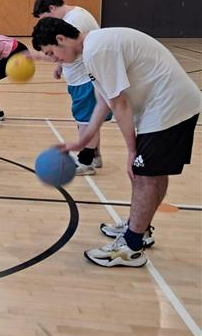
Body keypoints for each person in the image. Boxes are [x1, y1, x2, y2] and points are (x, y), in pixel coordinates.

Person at [31, 18, 201, 267]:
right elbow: (104, 101)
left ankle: (131, 247)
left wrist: (132, 151)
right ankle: (139, 227)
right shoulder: (93, 49)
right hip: (166, 105)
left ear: (60, 39)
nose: (54, 59)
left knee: (144, 176)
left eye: (50, 53)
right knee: (150, 174)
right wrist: (83, 141)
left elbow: (120, 104)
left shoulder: (97, 49)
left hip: (168, 106)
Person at [32, 0, 108, 174]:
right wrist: (60, 65)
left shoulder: (74, 21)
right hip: (82, 78)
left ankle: (85, 162)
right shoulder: (75, 15)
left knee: (85, 121)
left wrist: (42, 57)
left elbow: (72, 49)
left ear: (51, 8)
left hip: (85, 79)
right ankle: (94, 156)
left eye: (44, 18)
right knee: (87, 120)